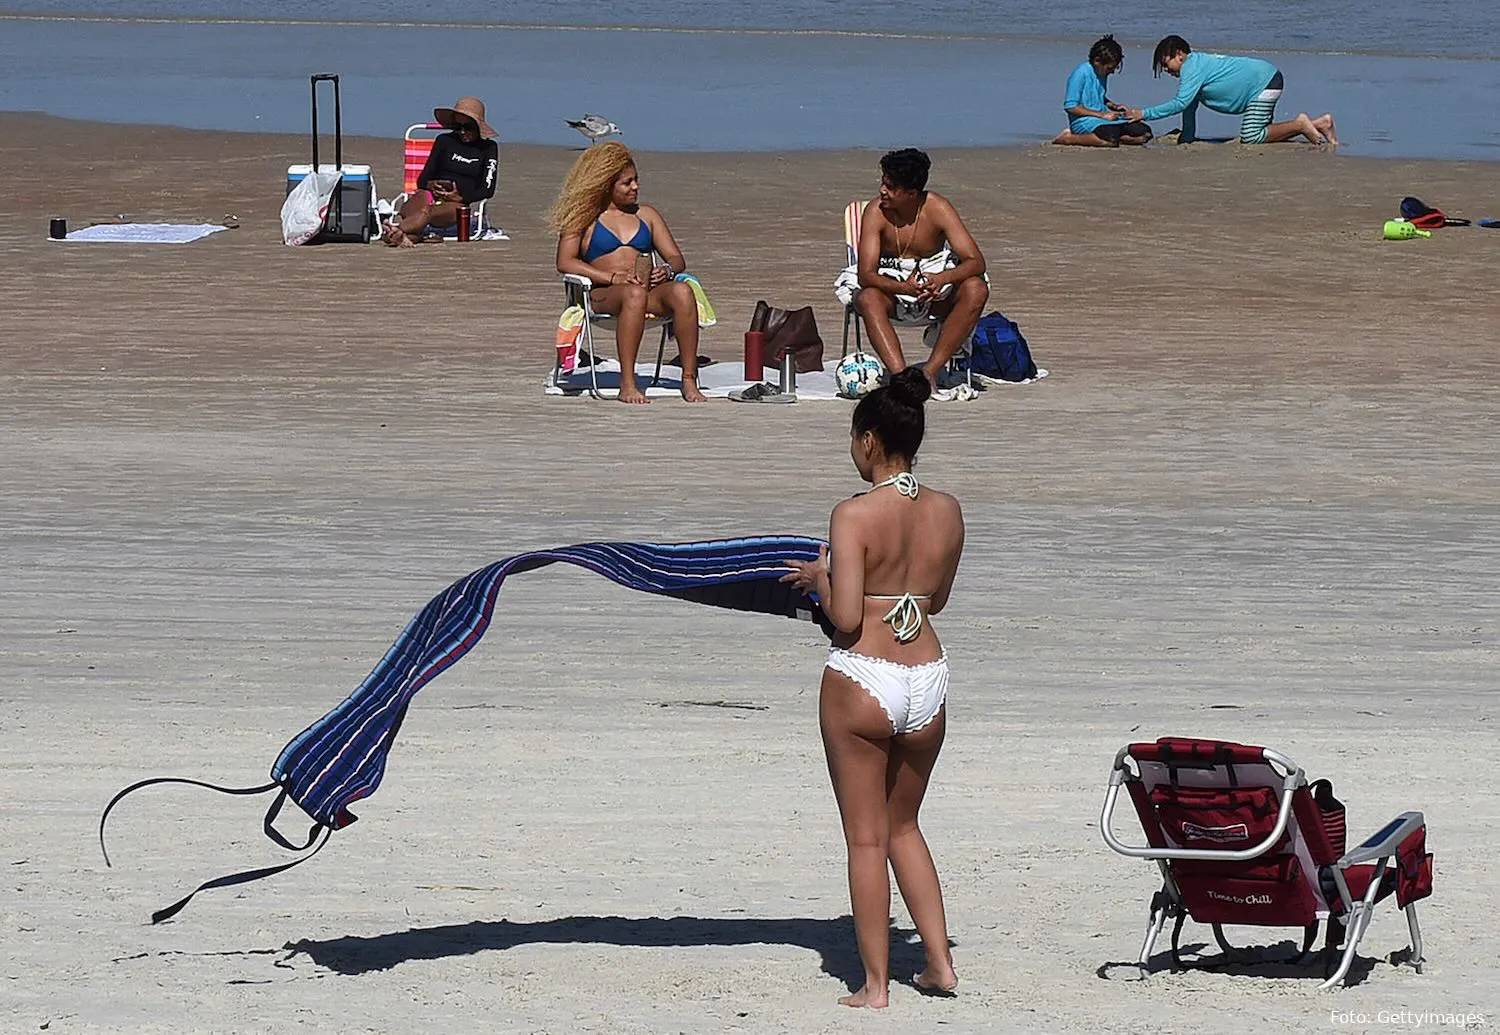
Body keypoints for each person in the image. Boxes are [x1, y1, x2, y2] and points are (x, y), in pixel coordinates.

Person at [781, 367, 965, 1009]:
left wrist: (818, 579)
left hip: (865, 675)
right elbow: (935, 600)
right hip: (928, 675)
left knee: (865, 837)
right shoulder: (947, 509)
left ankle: (876, 986)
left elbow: (849, 617)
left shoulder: (853, 513)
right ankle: (939, 964)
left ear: (867, 441)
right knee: (904, 826)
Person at [552, 142, 706, 404]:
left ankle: (689, 379)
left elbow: (677, 258)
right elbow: (565, 262)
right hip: (601, 295)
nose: (635, 187)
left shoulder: (646, 215)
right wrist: (612, 278)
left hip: (645, 292)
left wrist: (667, 270)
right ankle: (628, 383)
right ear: (606, 184)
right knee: (633, 294)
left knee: (682, 290)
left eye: (636, 180)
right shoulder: (583, 217)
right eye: (627, 183)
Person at [850, 149, 988, 385]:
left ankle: (929, 374)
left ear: (912, 194)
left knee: (977, 288)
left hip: (935, 294)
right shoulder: (876, 212)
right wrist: (903, 287)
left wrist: (943, 278)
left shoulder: (938, 208)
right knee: (867, 297)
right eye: (883, 183)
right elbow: (866, 275)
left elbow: (976, 261)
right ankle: (902, 378)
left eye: (891, 187)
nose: (883, 191)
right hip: (893, 293)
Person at [1128, 36, 1338, 147]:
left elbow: (1180, 103)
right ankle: (1320, 124)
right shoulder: (1195, 69)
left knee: (1251, 136)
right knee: (1264, 132)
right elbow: (1189, 110)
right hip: (1266, 78)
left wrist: (1143, 114)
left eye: (1166, 64)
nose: (1166, 70)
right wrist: (1187, 139)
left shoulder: (1191, 66)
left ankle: (1301, 124)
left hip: (1264, 82)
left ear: (1180, 55)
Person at [382, 97, 499, 247]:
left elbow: (487, 189)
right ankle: (407, 237)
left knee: (427, 211)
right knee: (423, 206)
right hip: (429, 194)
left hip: (457, 204)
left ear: (478, 127)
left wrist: (460, 197)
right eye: (458, 126)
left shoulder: (488, 148)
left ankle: (393, 231)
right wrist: (431, 184)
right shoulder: (444, 141)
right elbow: (422, 180)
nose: (462, 132)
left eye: (468, 127)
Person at [1053, 35, 1153, 148]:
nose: (1112, 72)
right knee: (1110, 139)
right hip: (1085, 121)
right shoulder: (1080, 73)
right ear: (1097, 61)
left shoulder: (1102, 73)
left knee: (1144, 132)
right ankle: (1069, 138)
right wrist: (1102, 115)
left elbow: (1097, 97)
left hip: (1105, 120)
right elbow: (1071, 107)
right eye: (1110, 68)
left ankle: (1108, 137)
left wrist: (1113, 106)